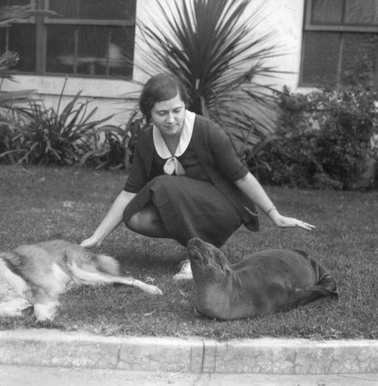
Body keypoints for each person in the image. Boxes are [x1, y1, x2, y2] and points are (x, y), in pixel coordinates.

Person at [81, 72, 314, 279]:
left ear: (185, 106)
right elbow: (130, 191)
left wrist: (275, 214)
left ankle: (199, 257)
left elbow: (241, 176)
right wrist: (97, 237)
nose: (171, 119)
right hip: (187, 204)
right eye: (162, 113)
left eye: (176, 111)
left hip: (225, 206)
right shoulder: (146, 140)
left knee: (162, 185)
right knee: (135, 217)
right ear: (148, 113)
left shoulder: (207, 131)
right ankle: (201, 245)